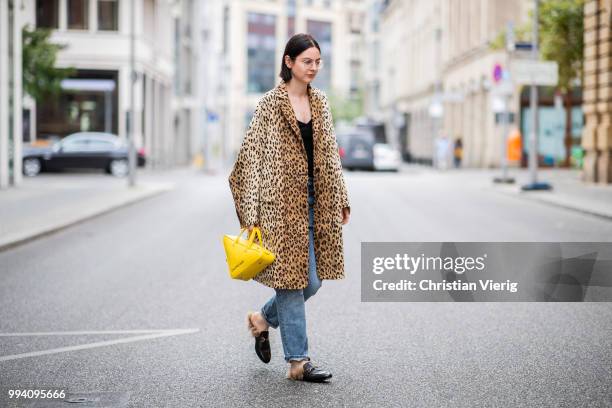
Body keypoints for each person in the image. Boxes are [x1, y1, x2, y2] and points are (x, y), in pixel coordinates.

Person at [228, 33, 351, 383]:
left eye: (317, 61)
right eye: (307, 61)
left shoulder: (322, 103)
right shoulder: (270, 103)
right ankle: (298, 362)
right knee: (292, 282)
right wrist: (251, 213)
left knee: (311, 283)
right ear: (289, 62)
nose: (313, 68)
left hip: (316, 201)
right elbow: (250, 157)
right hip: (278, 208)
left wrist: (340, 197)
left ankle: (262, 320)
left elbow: (330, 155)